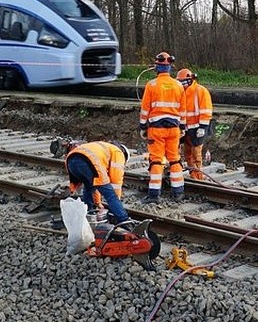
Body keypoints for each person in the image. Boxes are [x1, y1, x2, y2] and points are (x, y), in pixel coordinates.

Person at [139, 51, 187, 203]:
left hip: (156, 129)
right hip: (174, 129)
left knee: (157, 160)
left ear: (157, 67)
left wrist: (142, 126)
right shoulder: (178, 85)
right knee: (174, 159)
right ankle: (178, 192)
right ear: (170, 68)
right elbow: (183, 109)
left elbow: (145, 109)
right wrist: (183, 126)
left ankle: (154, 195)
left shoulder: (151, 85)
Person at [64, 140, 131, 224]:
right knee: (110, 195)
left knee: (89, 187)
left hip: (70, 160)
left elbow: (96, 184)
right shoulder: (118, 152)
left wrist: (98, 203)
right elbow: (116, 179)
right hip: (88, 162)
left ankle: (87, 213)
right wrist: (116, 199)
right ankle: (124, 220)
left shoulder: (103, 147)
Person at [176, 68, 213, 180]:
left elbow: (206, 110)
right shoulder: (181, 92)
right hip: (186, 128)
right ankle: (193, 174)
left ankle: (198, 175)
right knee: (187, 153)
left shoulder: (200, 91)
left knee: (196, 153)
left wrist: (202, 127)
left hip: (197, 128)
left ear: (190, 80)